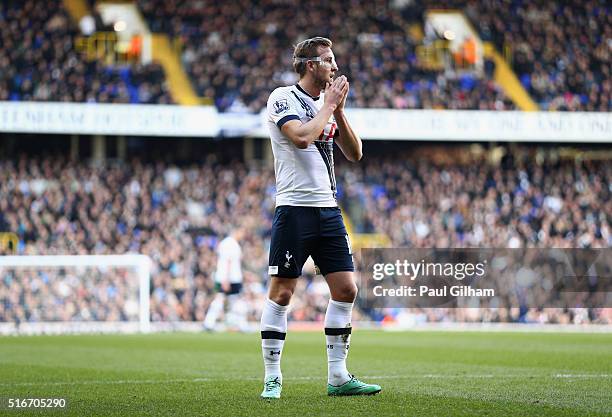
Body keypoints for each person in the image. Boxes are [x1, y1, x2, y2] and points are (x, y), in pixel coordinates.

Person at [260, 36, 381, 399]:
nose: (335, 67)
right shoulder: (282, 97)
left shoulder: (327, 104)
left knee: (346, 289)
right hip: (294, 210)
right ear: (310, 65)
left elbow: (355, 153)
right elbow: (300, 137)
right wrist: (327, 107)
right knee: (282, 294)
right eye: (328, 60)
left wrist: (339, 110)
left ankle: (339, 376)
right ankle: (272, 376)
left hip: (328, 210)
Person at [204, 227, 247, 331]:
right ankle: (241, 325)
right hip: (230, 278)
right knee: (232, 301)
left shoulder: (226, 243)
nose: (243, 235)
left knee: (225, 300)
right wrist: (226, 279)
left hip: (226, 277)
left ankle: (209, 323)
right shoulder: (231, 244)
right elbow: (227, 262)